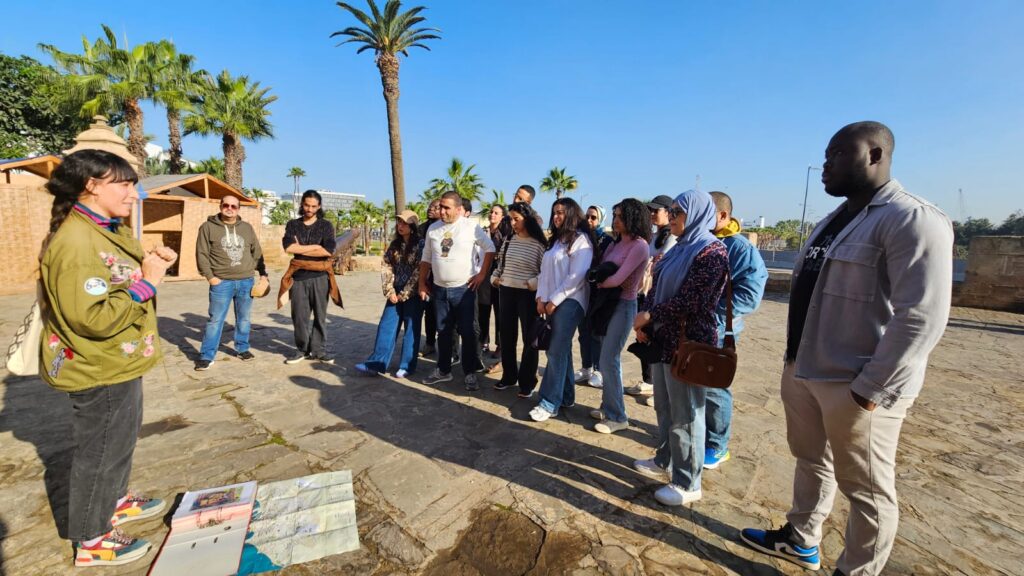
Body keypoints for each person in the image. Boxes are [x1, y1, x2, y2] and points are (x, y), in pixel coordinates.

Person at [741, 122, 953, 576]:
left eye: (838, 153)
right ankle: (801, 538)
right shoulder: (832, 221)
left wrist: (872, 387)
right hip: (805, 369)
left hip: (856, 383)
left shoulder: (911, 219)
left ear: (875, 154)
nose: (826, 164)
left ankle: (856, 570)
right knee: (810, 460)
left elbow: (922, 315)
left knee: (868, 490)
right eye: (826, 154)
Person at [39, 150, 178, 567]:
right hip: (97, 364)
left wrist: (149, 265)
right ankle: (91, 536)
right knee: (99, 451)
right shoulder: (78, 242)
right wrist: (148, 283)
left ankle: (113, 501)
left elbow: (114, 280)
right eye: (124, 184)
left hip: (117, 361)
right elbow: (92, 318)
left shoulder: (102, 229)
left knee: (118, 443)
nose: (134, 194)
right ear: (91, 186)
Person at [632, 190, 729, 507]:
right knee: (665, 407)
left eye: (678, 211)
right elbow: (655, 286)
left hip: (688, 344)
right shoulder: (677, 249)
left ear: (699, 213)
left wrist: (650, 315)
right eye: (670, 210)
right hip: (662, 339)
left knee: (687, 414)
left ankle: (688, 482)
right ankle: (665, 459)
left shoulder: (712, 252)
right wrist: (646, 321)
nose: (671, 215)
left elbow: (694, 301)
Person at [701, 191, 768, 468]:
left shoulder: (739, 248)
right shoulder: (700, 242)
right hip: (695, 326)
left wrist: (712, 312)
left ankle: (718, 445)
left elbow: (750, 295)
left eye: (706, 214)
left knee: (714, 387)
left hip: (717, 329)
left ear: (723, 215)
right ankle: (700, 434)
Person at [418, 191, 495, 390]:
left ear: (459, 209)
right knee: (443, 332)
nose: (442, 211)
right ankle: (443, 370)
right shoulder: (433, 229)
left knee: (468, 332)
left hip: (464, 290)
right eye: (440, 207)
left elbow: (490, 248)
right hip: (440, 290)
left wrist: (481, 275)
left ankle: (469, 373)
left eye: (446, 208)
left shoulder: (471, 227)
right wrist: (421, 283)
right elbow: (426, 258)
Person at [529, 198, 595, 422]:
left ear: (572, 214)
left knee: (555, 350)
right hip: (552, 301)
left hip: (572, 301)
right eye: (554, 212)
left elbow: (576, 278)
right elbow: (546, 273)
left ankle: (549, 401)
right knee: (561, 349)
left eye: (561, 213)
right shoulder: (556, 241)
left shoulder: (581, 241)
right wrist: (541, 297)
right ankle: (566, 395)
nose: (556, 216)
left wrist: (554, 300)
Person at [589, 199, 651, 434]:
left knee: (609, 360)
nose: (615, 220)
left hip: (623, 305)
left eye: (620, 216)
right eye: (614, 215)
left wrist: (597, 281)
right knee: (605, 358)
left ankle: (618, 416)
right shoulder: (615, 244)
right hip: (606, 305)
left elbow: (618, 279)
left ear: (633, 218)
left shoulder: (640, 246)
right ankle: (608, 406)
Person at [194, 195, 268, 370]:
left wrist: (263, 274)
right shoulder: (208, 228)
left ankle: (242, 348)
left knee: (244, 319)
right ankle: (207, 355)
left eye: (234, 206)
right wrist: (211, 277)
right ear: (220, 206)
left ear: (238, 209)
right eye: (226, 205)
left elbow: (256, 252)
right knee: (215, 320)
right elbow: (201, 254)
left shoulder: (246, 228)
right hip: (222, 283)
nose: (229, 208)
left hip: (246, 282)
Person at [356, 210, 424, 379]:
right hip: (395, 291)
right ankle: (376, 363)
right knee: (386, 325)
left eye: (405, 223)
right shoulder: (394, 245)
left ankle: (407, 365)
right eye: (399, 222)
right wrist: (389, 290)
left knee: (411, 329)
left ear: (413, 226)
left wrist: (406, 292)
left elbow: (420, 270)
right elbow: (387, 266)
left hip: (413, 294)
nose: (400, 226)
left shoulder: (421, 245)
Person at [491, 202, 547, 395]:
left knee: (529, 339)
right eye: (511, 219)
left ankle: (527, 382)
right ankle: (508, 376)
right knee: (506, 337)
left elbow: (545, 273)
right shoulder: (508, 241)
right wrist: (495, 277)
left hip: (528, 296)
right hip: (506, 292)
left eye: (517, 219)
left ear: (527, 219)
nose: (513, 223)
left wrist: (532, 283)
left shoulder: (539, 244)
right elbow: (501, 264)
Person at [626, 194, 677, 403]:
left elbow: (659, 264)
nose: (653, 214)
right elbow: (651, 262)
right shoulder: (654, 236)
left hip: (658, 296)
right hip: (643, 293)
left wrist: (651, 262)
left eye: (657, 210)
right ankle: (648, 381)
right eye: (651, 211)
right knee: (642, 336)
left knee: (656, 339)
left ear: (668, 212)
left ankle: (657, 387)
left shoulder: (671, 237)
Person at [280, 190, 338, 364]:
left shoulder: (326, 226)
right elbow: (289, 248)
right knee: (299, 316)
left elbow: (328, 250)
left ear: (319, 206)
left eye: (313, 206)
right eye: (306, 205)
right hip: (298, 277)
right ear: (302, 204)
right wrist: (314, 247)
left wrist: (302, 247)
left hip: (320, 276)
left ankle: (319, 350)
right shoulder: (293, 225)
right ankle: (302, 349)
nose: (309, 209)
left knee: (320, 316)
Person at [574, 205, 614, 388]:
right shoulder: (580, 237)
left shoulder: (607, 240)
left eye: (593, 217)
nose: (589, 221)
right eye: (587, 217)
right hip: (583, 290)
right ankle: (586, 366)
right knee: (583, 332)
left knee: (596, 333)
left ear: (601, 219)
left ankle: (599, 369)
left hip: (599, 292)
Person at [479, 203, 506, 360]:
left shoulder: (505, 233)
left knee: (500, 313)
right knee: (483, 311)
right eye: (491, 212)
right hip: (484, 275)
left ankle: (500, 345)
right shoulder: (483, 232)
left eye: (496, 213)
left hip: (500, 277)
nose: (492, 215)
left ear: (502, 216)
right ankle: (483, 342)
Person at [419, 199, 441, 356]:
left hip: (440, 276)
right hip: (425, 277)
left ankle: (449, 348)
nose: (430, 209)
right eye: (430, 206)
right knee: (429, 312)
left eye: (435, 207)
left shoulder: (444, 229)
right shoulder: (422, 228)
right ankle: (429, 343)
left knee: (443, 313)